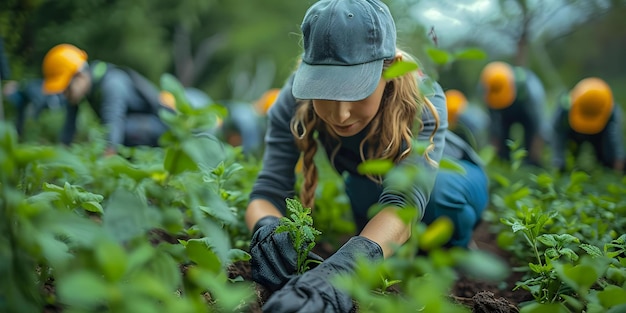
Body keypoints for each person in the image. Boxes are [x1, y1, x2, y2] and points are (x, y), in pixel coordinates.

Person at [245, 0, 489, 312]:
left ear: (392, 67)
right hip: (374, 185)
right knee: (365, 190)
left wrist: (340, 273)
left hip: (452, 180)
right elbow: (267, 190)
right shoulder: (293, 97)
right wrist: (267, 228)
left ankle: (453, 251)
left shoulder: (424, 97)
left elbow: (404, 205)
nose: (340, 113)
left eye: (355, 89)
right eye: (325, 90)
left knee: (440, 196)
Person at [41, 43, 171, 155]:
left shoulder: (112, 83)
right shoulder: (81, 89)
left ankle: (136, 164)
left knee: (121, 131)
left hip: (158, 126)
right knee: (117, 132)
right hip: (134, 124)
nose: (64, 95)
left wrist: (106, 161)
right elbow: (68, 130)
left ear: (79, 76)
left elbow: (113, 122)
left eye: (66, 89)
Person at [478, 61, 549, 166]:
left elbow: (538, 125)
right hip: (505, 115)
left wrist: (536, 151)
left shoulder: (531, 89)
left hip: (525, 110)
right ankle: (504, 161)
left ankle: (530, 164)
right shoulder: (486, 87)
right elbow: (493, 123)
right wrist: (494, 149)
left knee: (530, 137)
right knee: (502, 135)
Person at [550, 77, 625, 173]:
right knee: (565, 159)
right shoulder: (565, 106)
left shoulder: (611, 112)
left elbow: (614, 138)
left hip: (600, 133)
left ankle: (605, 168)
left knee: (606, 159)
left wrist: (617, 162)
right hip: (572, 131)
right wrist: (558, 160)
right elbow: (557, 132)